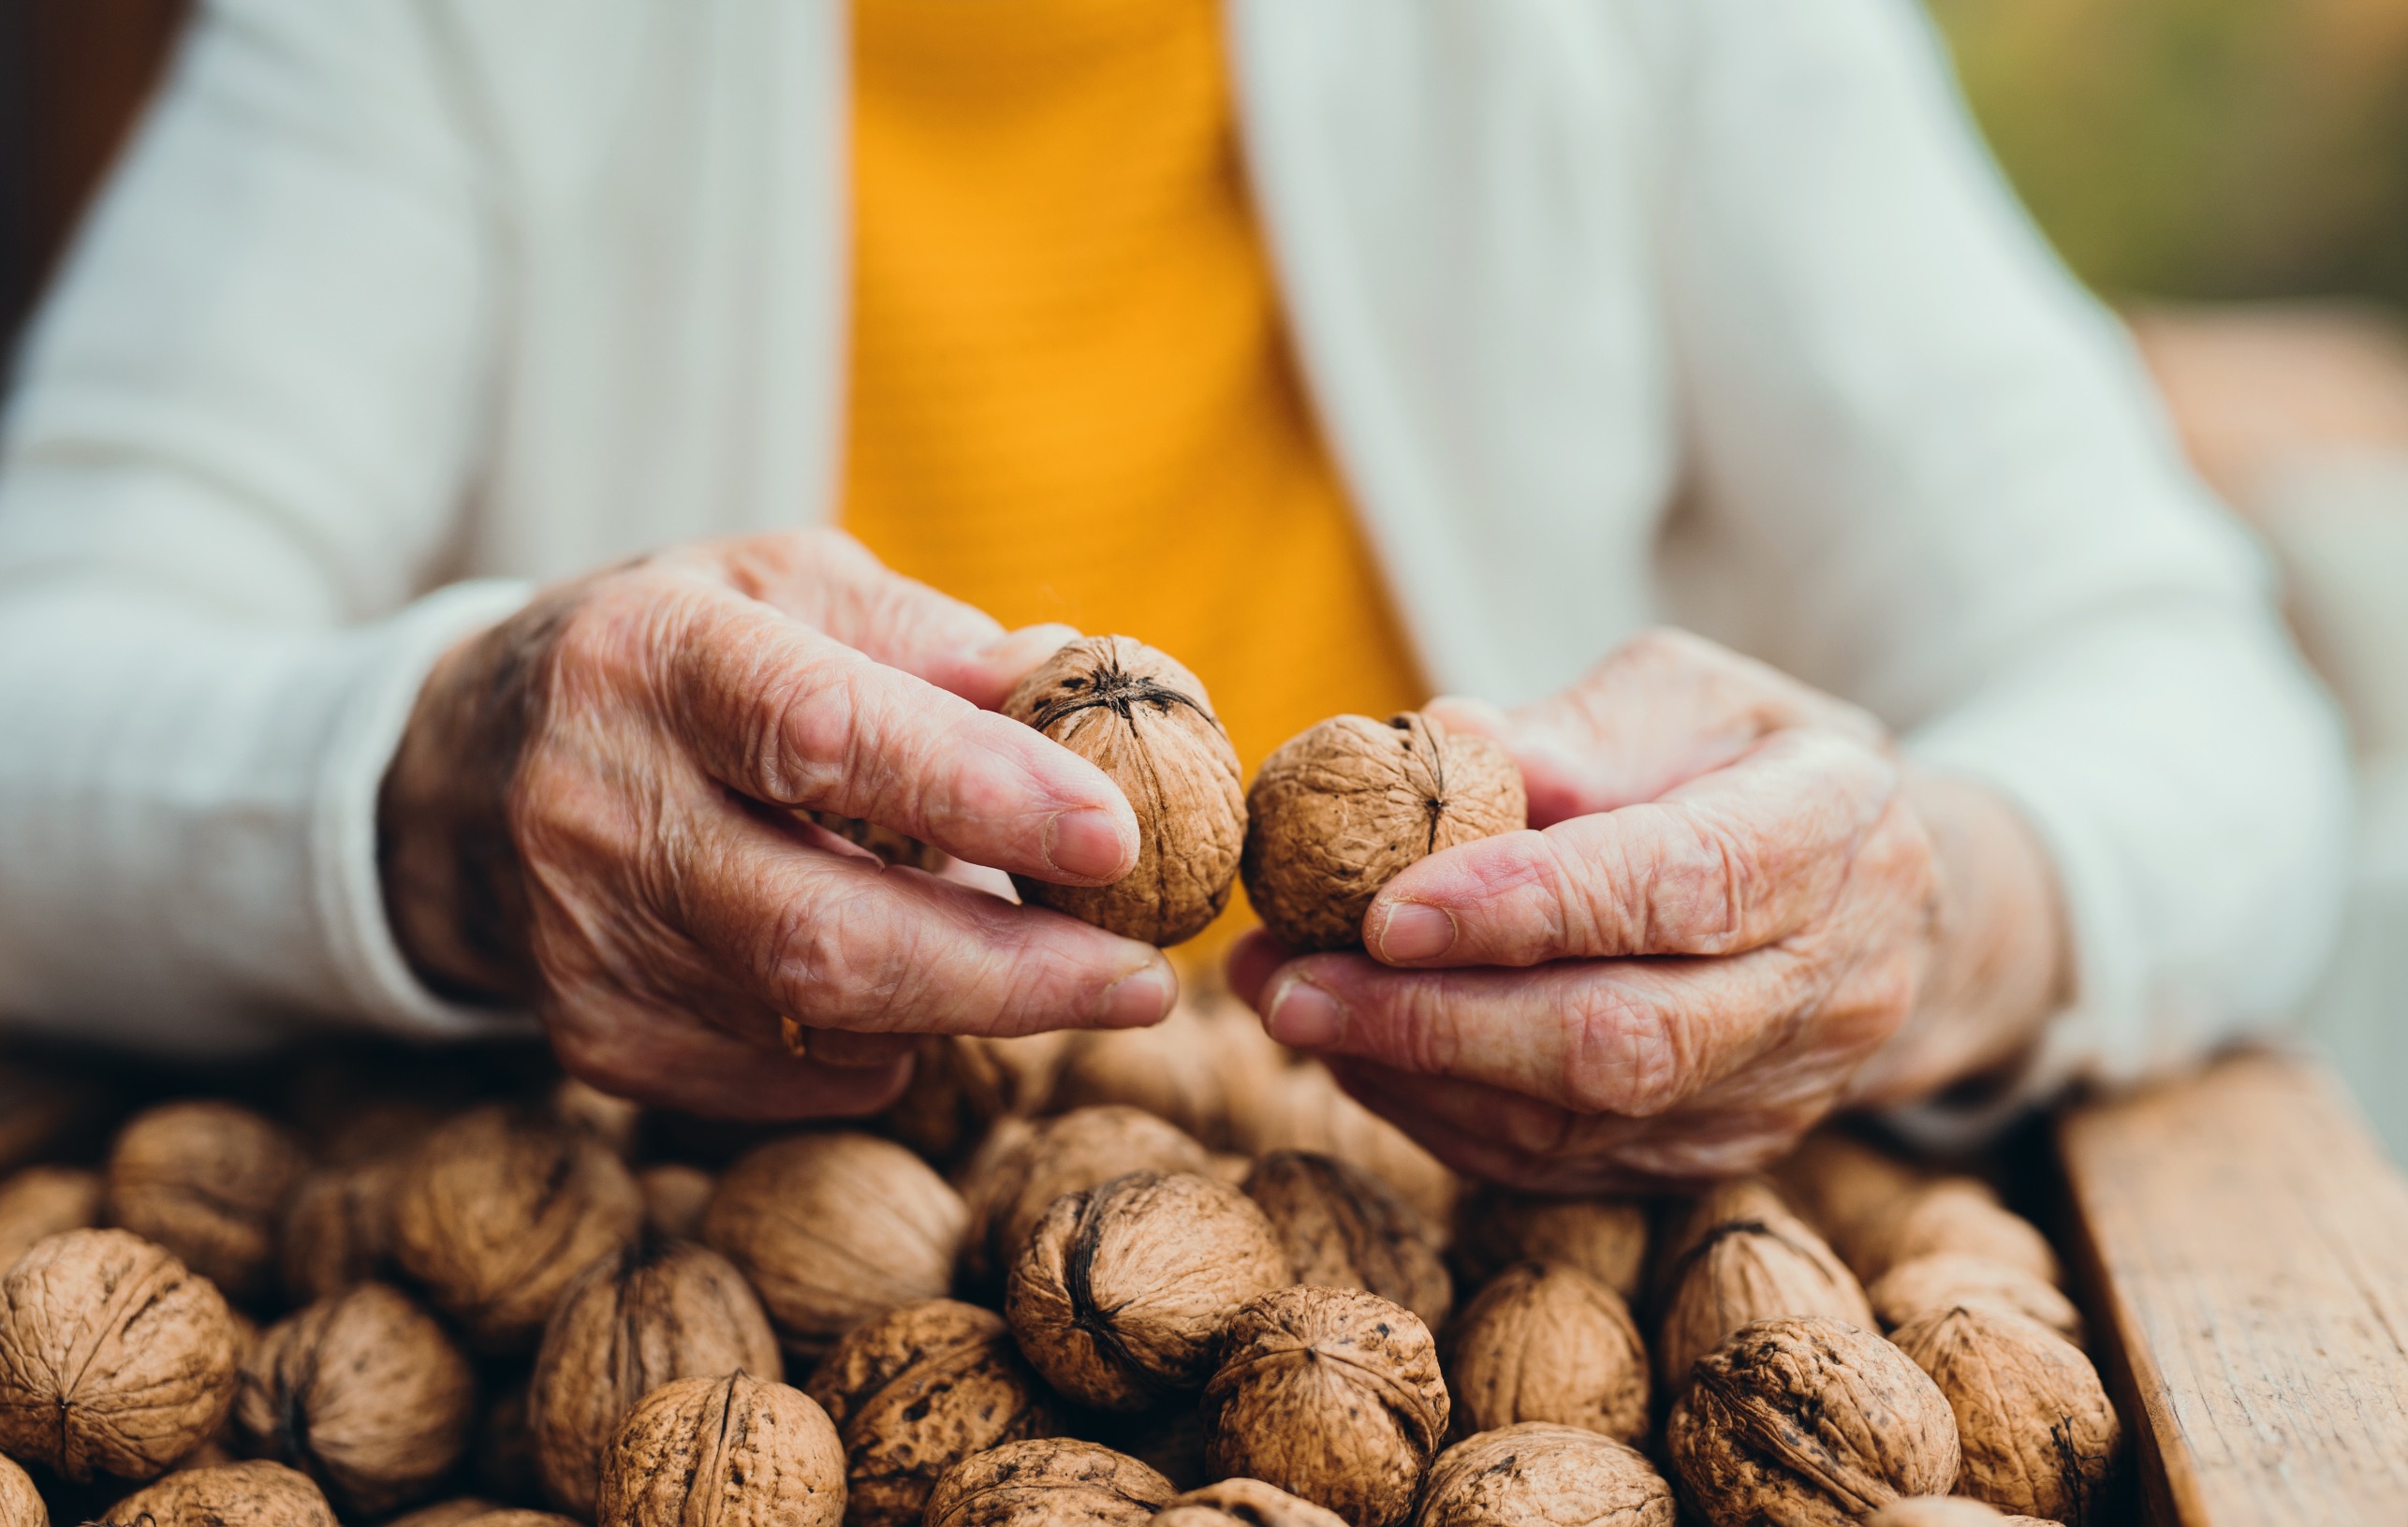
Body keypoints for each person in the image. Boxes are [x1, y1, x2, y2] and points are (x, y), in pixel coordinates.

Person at [0, 0, 2350, 1188]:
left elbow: (2179, 679)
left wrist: (1922, 904)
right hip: (727, 1255)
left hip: (1458, 1257)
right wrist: (432, 786)